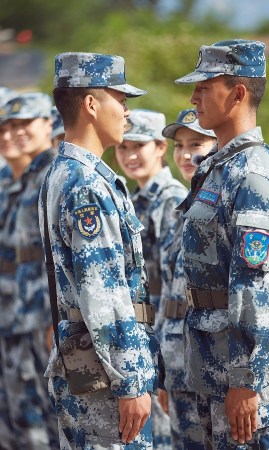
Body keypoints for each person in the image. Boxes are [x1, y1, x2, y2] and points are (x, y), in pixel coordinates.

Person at [174, 39, 269, 449]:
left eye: (205, 87)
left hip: (241, 377)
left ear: (239, 93)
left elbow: (257, 285)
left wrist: (245, 381)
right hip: (213, 365)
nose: (194, 97)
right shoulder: (219, 166)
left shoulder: (252, 175)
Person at [38, 52, 162, 449]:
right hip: (105, 382)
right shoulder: (87, 184)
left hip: (86, 365)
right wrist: (130, 382)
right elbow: (102, 293)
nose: (126, 112)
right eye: (120, 100)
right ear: (91, 104)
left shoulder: (62, 173)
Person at [115, 108, 188, 450]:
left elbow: (174, 288)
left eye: (138, 146)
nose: (129, 156)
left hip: (162, 336)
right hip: (144, 333)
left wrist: (165, 361)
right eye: (123, 147)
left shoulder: (170, 199)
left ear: (160, 147)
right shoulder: (133, 199)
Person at [0, 93, 60, 449]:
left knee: (47, 421)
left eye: (24, 125)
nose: (13, 134)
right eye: (7, 127)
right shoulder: (13, 182)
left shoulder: (53, 178)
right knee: (16, 420)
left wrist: (57, 319)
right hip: (14, 319)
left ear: (48, 124)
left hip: (43, 324)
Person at [157, 108, 216, 450]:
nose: (184, 154)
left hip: (209, 365)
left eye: (195, 143)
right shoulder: (186, 205)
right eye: (179, 145)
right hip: (178, 361)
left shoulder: (219, 202)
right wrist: (165, 370)